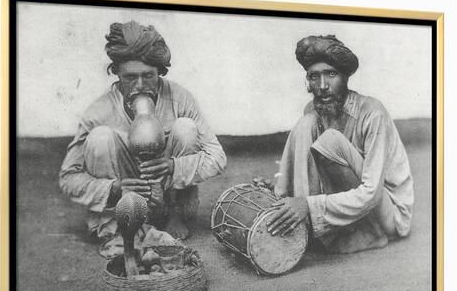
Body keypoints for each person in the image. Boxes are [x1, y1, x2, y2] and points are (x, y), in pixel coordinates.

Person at [59, 21, 227, 240]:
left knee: (185, 127)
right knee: (100, 137)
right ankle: (117, 226)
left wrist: (173, 167)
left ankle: (173, 215)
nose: (140, 85)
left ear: (159, 71)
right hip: (124, 197)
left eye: (148, 76)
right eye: (130, 77)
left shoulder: (180, 98)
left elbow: (218, 157)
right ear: (117, 73)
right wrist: (114, 188)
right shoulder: (98, 111)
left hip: (168, 196)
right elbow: (68, 178)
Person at [262, 35, 414, 254]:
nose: (322, 86)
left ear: (345, 77)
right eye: (314, 77)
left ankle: (370, 234)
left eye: (331, 74)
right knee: (306, 122)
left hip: (387, 213)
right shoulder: (313, 112)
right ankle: (301, 225)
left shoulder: (372, 112)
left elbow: (371, 192)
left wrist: (308, 205)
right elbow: (315, 171)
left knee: (331, 141)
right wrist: (280, 194)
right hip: (352, 206)